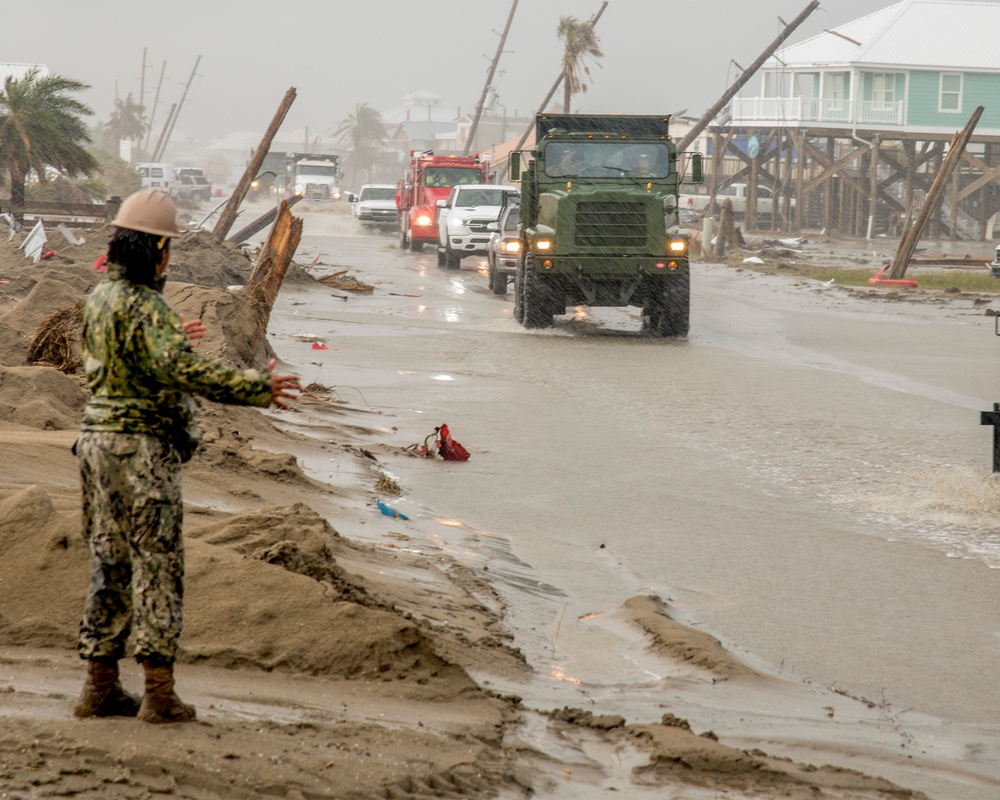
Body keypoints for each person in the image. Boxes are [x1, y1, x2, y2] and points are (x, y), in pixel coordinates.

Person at [73, 190, 301, 724]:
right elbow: (184, 372)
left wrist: (173, 335)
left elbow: (134, 359)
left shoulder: (99, 299)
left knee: (109, 561)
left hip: (96, 446)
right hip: (142, 451)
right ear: (157, 251)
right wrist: (255, 389)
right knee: (158, 567)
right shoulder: (146, 305)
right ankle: (158, 693)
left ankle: (98, 686)